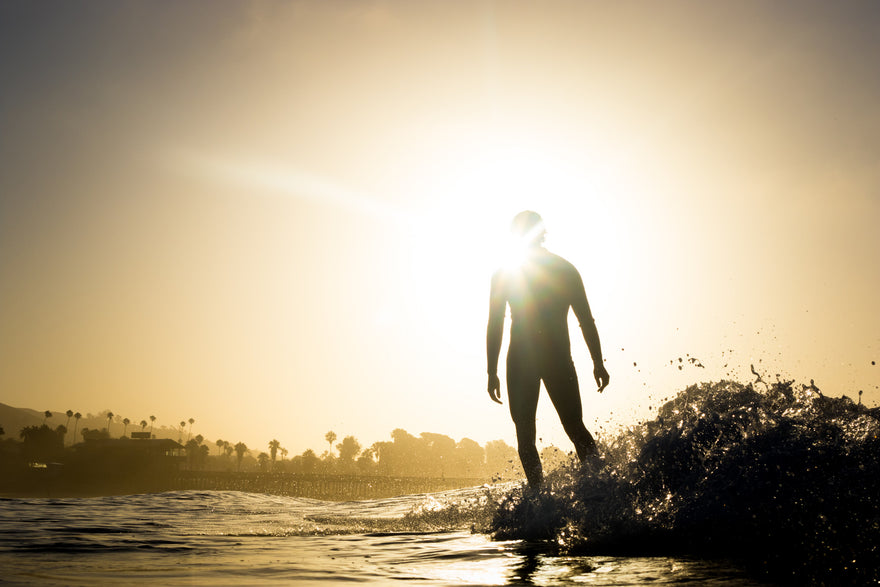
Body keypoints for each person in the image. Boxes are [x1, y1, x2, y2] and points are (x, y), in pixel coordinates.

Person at [486, 210, 610, 486]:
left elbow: (495, 324)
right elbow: (586, 321)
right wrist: (597, 362)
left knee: (528, 434)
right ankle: (601, 488)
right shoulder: (563, 269)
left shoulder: (506, 273)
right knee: (572, 427)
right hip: (551, 358)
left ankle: (540, 498)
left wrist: (491, 371)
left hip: (522, 360)